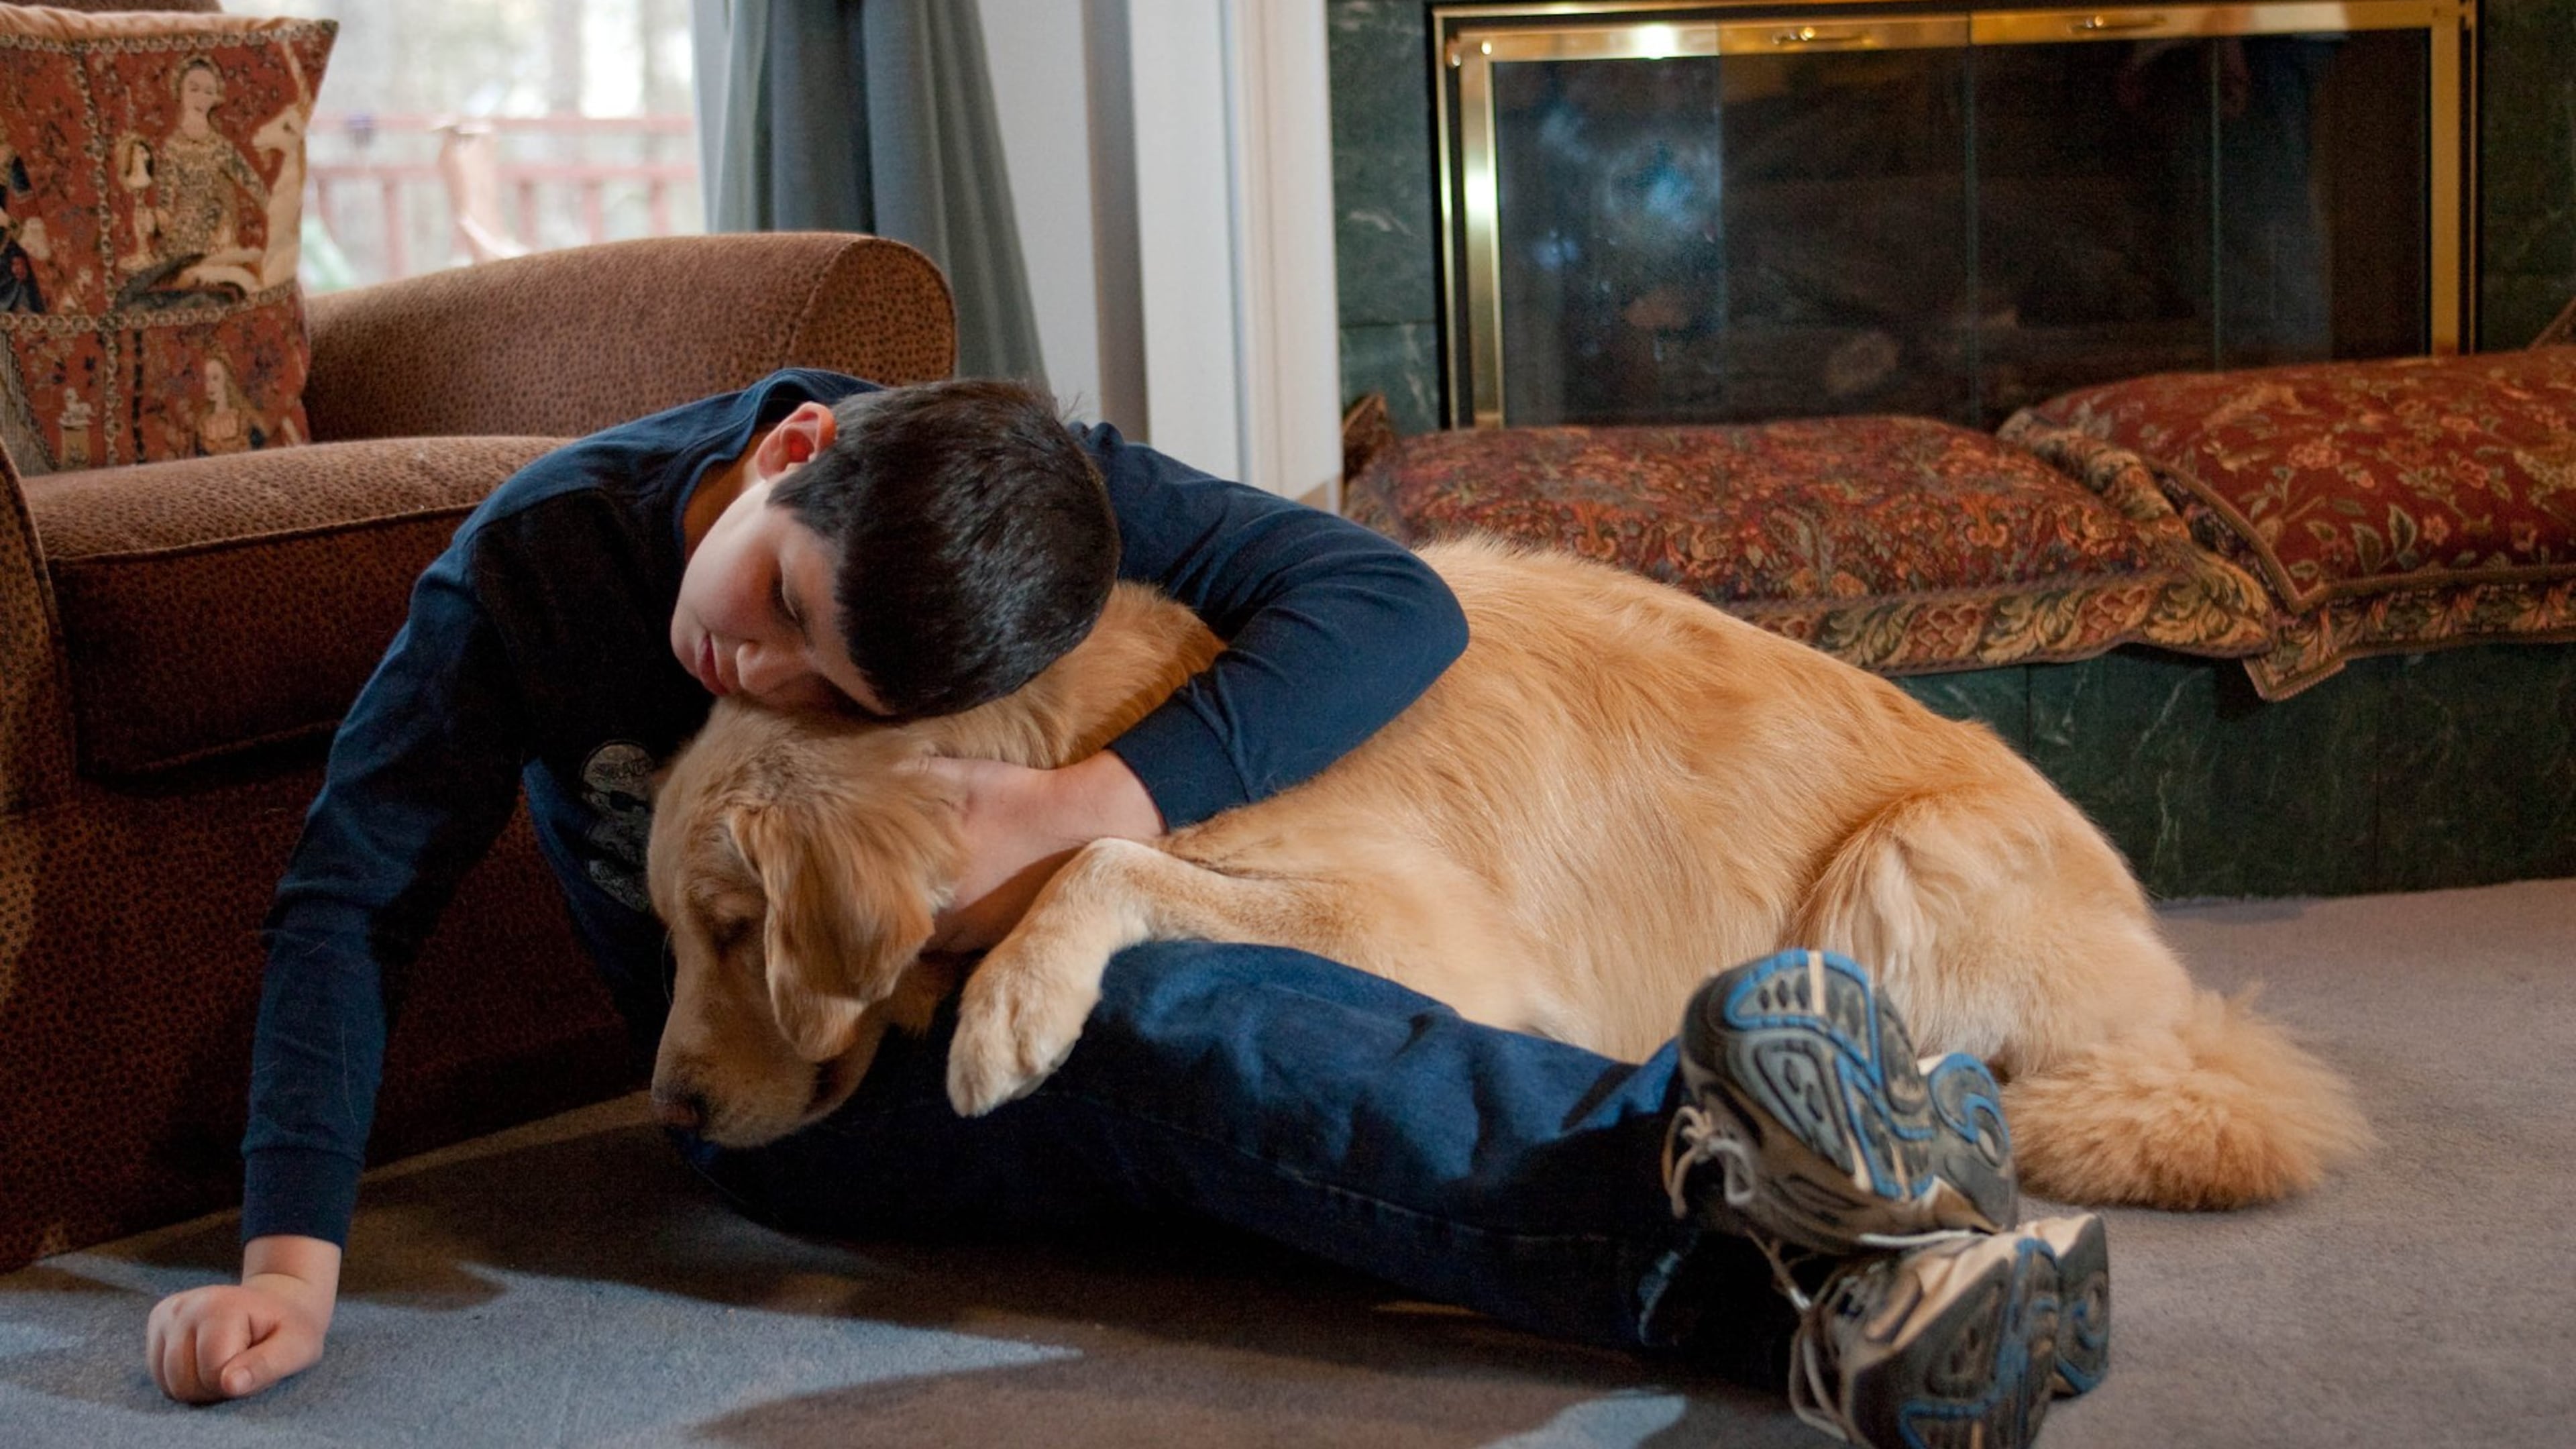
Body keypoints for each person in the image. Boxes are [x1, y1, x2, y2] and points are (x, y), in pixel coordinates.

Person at [142, 372, 2106, 1447]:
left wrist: (1080, 818)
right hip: (779, 1096)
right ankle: (1766, 1244)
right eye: (783, 617)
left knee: (1189, 993)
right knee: (1158, 1051)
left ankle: (1845, 1241)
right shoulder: (541, 574)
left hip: (982, 948)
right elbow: (348, 898)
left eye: (839, 689)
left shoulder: (1024, 488)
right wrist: (296, 1262)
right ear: (788, 456)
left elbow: (1388, 602)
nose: (758, 678)